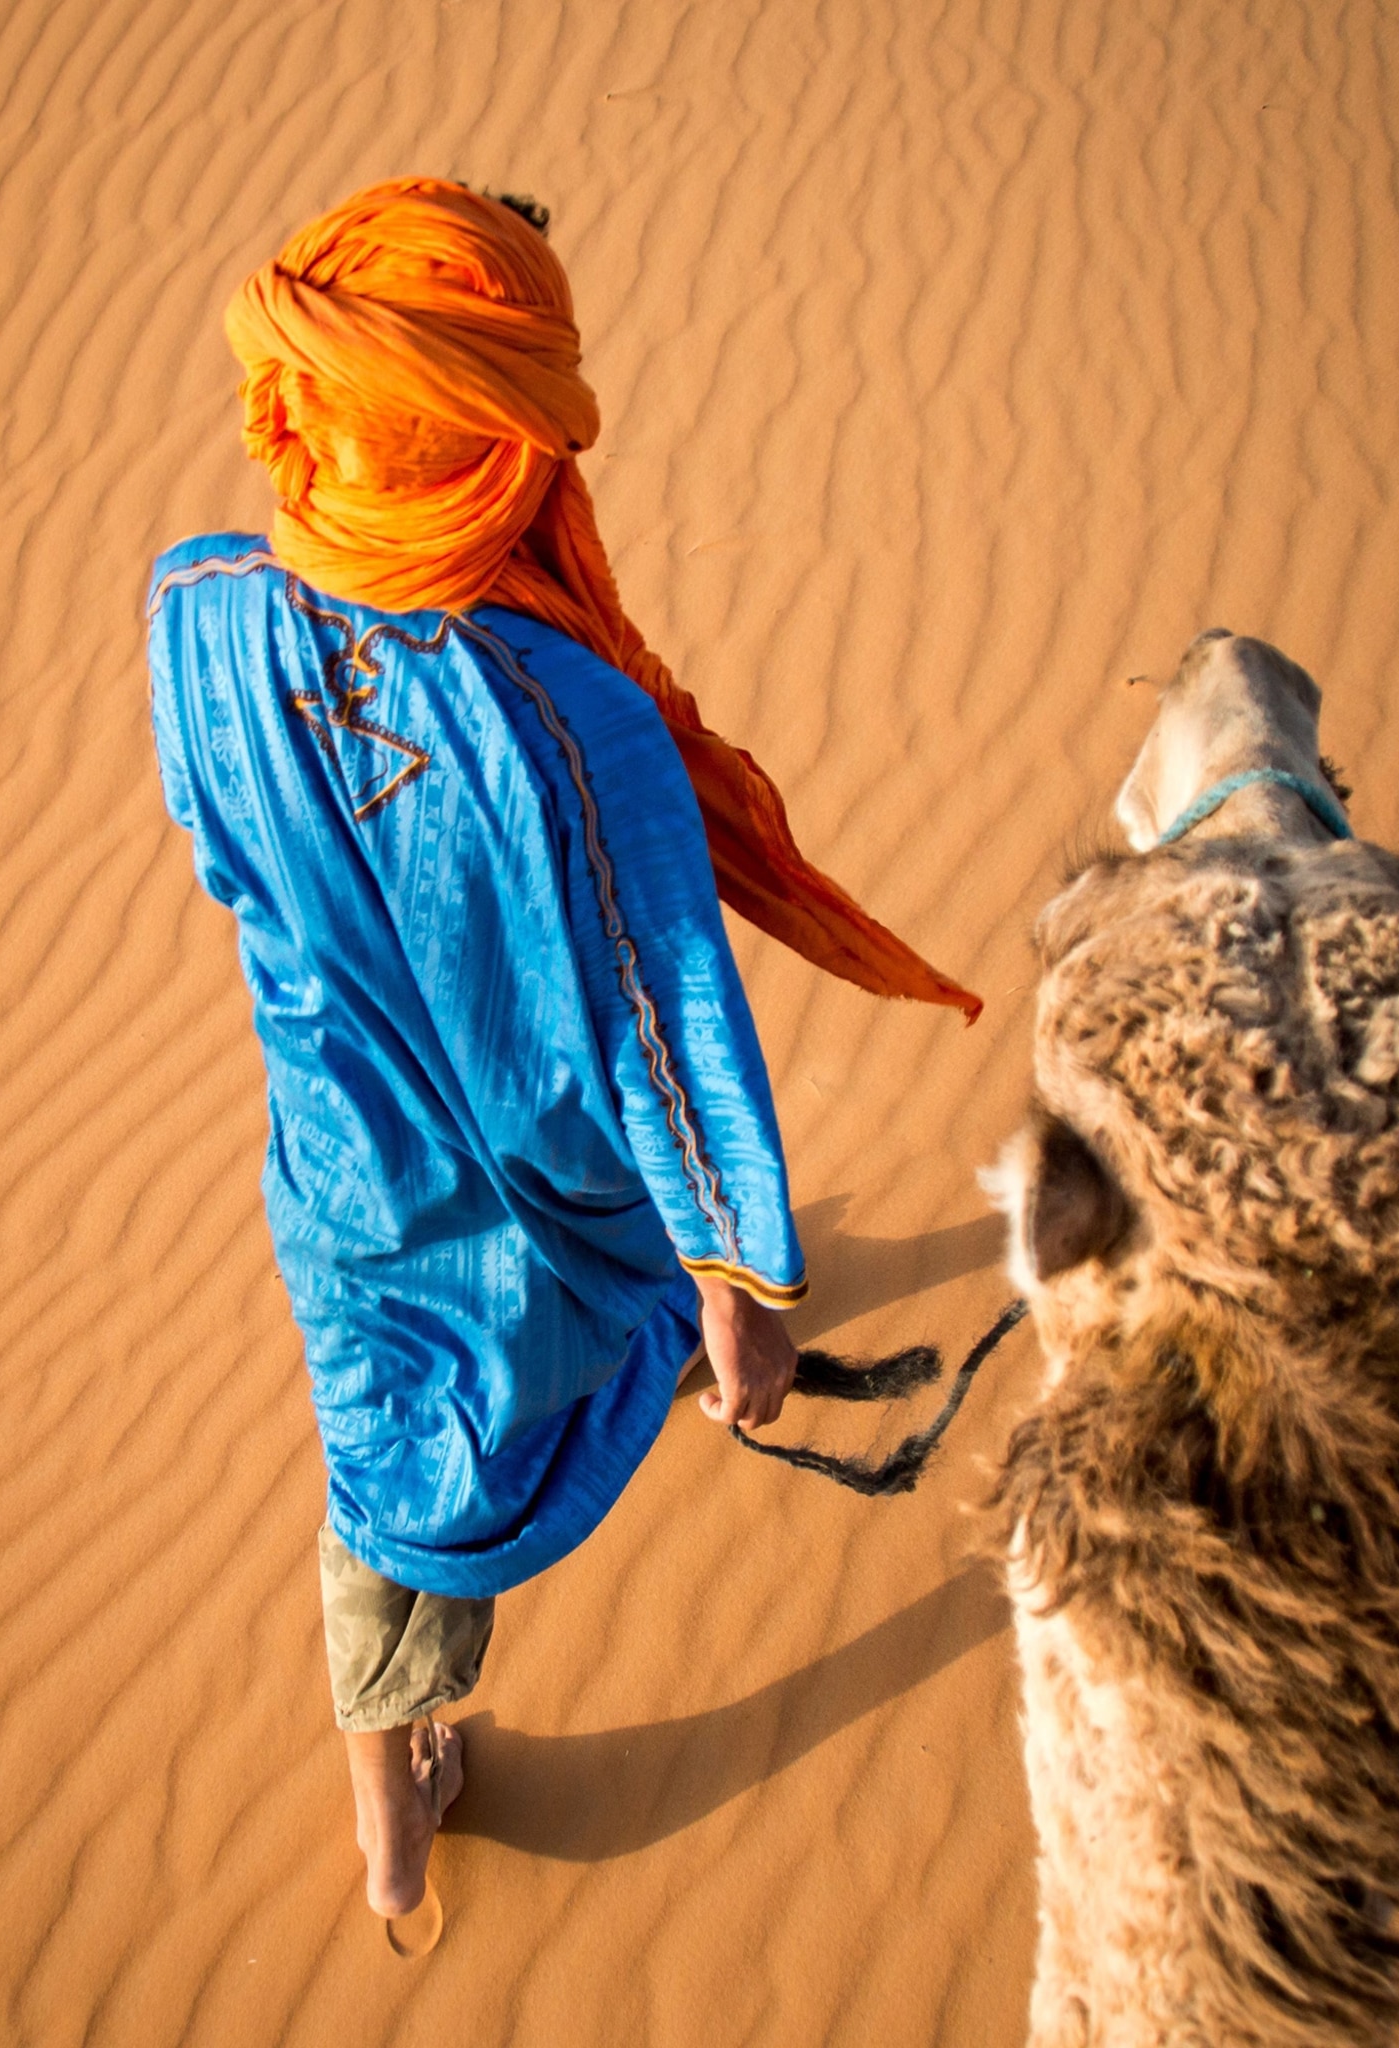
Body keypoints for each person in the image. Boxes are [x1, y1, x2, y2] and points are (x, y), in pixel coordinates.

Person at [143, 176, 976, 1922]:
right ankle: (664, 1350)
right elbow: (663, 1029)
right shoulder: (570, 714)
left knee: (381, 1476)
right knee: (622, 1324)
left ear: (315, 411)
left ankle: (391, 1828)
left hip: (345, 1172)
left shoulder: (196, 609)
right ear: (493, 446)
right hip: (547, 1195)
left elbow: (222, 850)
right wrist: (743, 1286)